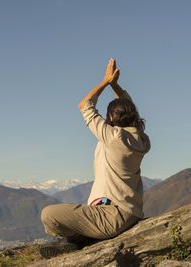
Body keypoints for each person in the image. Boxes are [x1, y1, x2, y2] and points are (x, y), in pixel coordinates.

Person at [39, 58, 151, 259]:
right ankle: (83, 237)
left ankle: (76, 240)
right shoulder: (141, 139)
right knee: (77, 212)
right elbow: (131, 108)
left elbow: (86, 106)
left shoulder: (113, 137)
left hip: (112, 217)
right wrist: (116, 86)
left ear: (109, 119)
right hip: (130, 213)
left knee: (48, 214)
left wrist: (106, 82)